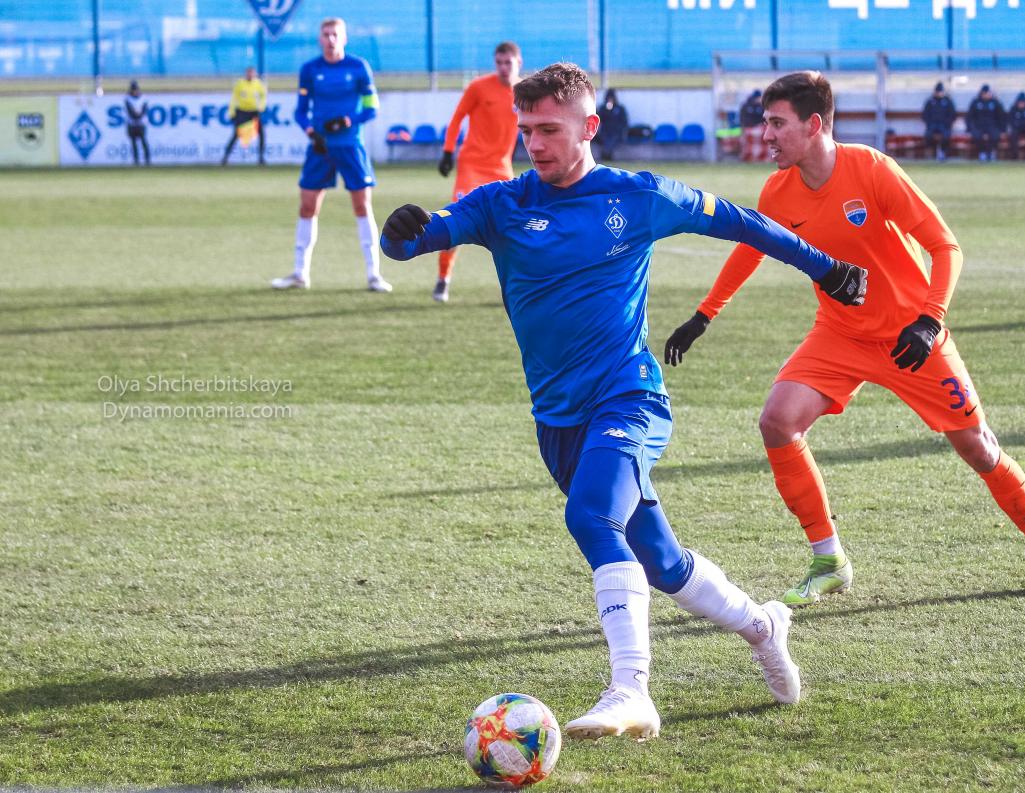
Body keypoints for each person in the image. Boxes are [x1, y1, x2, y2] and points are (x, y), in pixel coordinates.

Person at [380, 63, 868, 741]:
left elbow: (741, 222)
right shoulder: (501, 205)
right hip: (558, 420)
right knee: (661, 562)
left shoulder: (638, 196)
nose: (535, 144)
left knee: (589, 517)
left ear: (589, 126)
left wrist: (827, 267)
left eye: (550, 130)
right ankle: (763, 625)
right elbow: (415, 239)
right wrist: (399, 231)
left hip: (629, 397)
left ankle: (631, 689)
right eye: (528, 130)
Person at [664, 71, 1025, 607]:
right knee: (777, 421)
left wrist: (930, 320)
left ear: (813, 124)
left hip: (913, 337)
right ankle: (829, 560)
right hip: (840, 334)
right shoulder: (778, 189)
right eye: (765, 122)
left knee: (980, 449)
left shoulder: (871, 169)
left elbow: (945, 246)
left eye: (776, 123)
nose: (765, 134)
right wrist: (704, 316)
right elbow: (752, 247)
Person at [271, 17, 390, 292]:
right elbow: (300, 111)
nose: (331, 39)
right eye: (326, 34)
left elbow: (372, 108)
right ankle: (300, 273)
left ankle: (374, 274)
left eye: (335, 34)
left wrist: (350, 120)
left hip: (350, 146)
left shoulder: (358, 67)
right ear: (320, 39)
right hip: (320, 148)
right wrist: (311, 132)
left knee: (362, 206)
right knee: (307, 206)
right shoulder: (310, 70)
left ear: (344, 38)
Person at [433, 41, 523, 303]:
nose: (503, 67)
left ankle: (516, 286)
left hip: (501, 167)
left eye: (508, 62)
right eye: (499, 62)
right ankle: (443, 278)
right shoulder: (479, 87)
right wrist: (448, 151)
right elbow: (457, 117)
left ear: (519, 63)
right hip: (472, 165)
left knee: (513, 226)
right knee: (457, 220)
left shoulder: (525, 92)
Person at [221, 66, 267, 166]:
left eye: (252, 73)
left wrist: (261, 107)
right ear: (246, 74)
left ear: (255, 74)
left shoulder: (258, 84)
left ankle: (261, 158)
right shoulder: (240, 83)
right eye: (248, 73)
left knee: (261, 133)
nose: (250, 75)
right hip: (242, 112)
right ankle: (225, 157)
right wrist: (231, 112)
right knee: (236, 134)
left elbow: (263, 97)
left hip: (254, 112)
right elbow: (234, 98)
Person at [966, 84, 1006, 161]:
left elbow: (1001, 116)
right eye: (985, 93)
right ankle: (982, 152)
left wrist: (1002, 129)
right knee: (977, 136)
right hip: (979, 126)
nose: (986, 95)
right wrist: (970, 128)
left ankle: (991, 152)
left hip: (992, 125)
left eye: (988, 93)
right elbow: (970, 117)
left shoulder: (995, 102)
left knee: (995, 135)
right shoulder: (975, 102)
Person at [921, 81, 956, 161]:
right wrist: (929, 124)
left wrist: (948, 124)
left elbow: (952, 114)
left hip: (944, 125)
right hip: (932, 125)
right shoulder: (930, 101)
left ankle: (942, 153)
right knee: (928, 135)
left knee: (946, 136)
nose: (939, 93)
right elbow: (925, 114)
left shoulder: (948, 101)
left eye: (940, 91)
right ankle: (932, 153)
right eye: (937, 92)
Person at [594, 88, 629, 161]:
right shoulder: (603, 108)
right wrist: (606, 110)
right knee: (604, 138)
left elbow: (624, 122)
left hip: (616, 132)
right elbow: (599, 119)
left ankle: (607, 153)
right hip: (605, 131)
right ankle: (606, 153)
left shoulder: (620, 108)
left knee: (612, 139)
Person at [124, 80, 149, 166]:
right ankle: (136, 160)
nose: (135, 91)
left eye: (136, 90)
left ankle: (147, 160)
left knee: (143, 141)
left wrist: (139, 115)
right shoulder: (128, 99)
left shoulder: (143, 98)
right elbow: (130, 111)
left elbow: (144, 110)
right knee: (133, 143)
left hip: (141, 124)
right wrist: (136, 116)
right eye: (133, 90)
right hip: (132, 124)